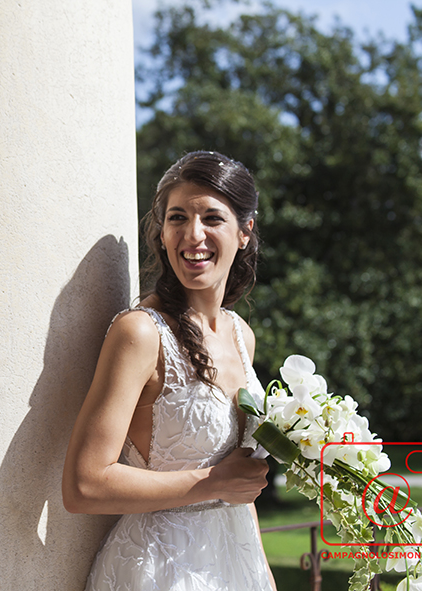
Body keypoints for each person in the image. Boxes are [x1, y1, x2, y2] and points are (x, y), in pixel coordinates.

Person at [63, 150, 276, 590]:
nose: (192, 235)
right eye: (177, 218)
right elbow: (83, 485)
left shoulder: (241, 335)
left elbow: (238, 481)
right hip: (159, 569)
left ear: (244, 233)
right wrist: (212, 482)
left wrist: (264, 577)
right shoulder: (140, 333)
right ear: (161, 234)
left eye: (212, 218)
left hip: (236, 565)